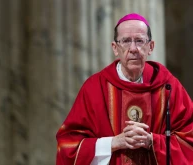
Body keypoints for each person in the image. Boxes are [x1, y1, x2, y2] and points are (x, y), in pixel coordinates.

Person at [56, 13, 193, 165]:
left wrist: (151, 141)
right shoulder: (95, 88)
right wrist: (114, 142)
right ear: (115, 48)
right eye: (126, 41)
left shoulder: (168, 87)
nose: (133, 48)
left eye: (140, 41)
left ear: (151, 47)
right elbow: (68, 146)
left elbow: (189, 139)